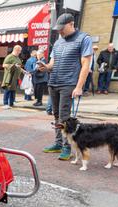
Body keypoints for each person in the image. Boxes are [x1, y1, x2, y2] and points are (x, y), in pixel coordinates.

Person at [39, 13, 92, 161]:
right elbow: (52, 64)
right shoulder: (58, 42)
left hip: (68, 83)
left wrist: (79, 86)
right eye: (58, 29)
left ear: (71, 24)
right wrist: (45, 67)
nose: (60, 32)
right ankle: (58, 143)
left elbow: (85, 65)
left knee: (65, 117)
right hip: (54, 82)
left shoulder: (84, 39)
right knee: (56, 115)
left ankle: (67, 147)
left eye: (62, 28)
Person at [1, 45, 23, 109]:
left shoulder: (17, 58)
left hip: (15, 77)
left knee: (13, 90)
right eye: (19, 51)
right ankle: (5, 103)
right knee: (8, 90)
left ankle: (11, 103)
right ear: (16, 50)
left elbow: (19, 67)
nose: (20, 52)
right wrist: (13, 65)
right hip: (10, 77)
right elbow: (4, 65)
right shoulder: (9, 56)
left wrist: (23, 71)